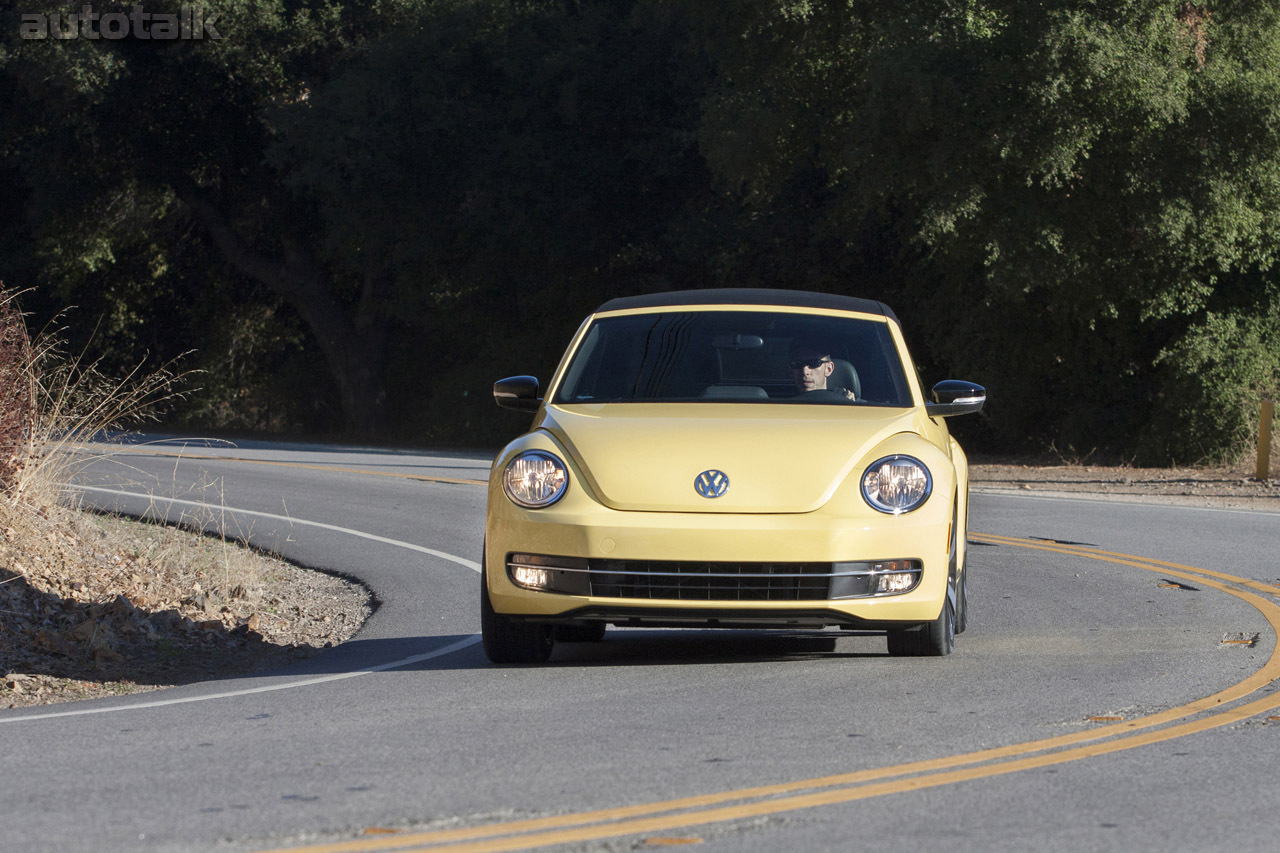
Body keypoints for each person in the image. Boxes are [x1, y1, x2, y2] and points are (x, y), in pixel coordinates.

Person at [788, 346, 856, 401]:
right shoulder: (779, 407)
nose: (805, 371)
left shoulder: (856, 408)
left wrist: (850, 406)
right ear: (790, 370)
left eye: (814, 363)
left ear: (829, 369)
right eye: (797, 364)